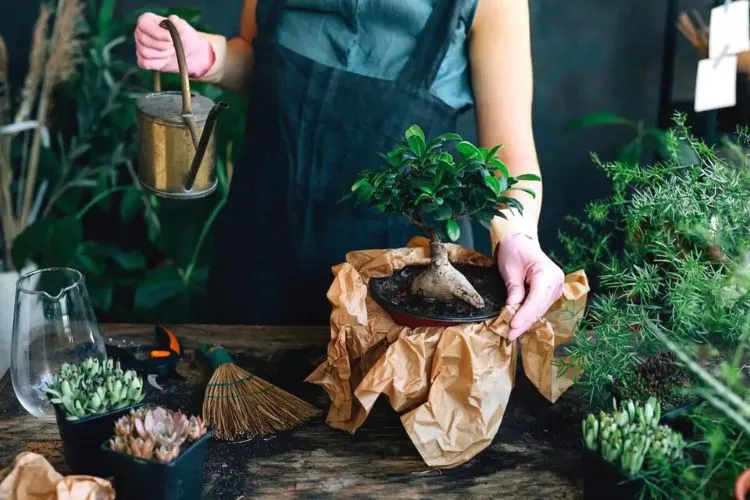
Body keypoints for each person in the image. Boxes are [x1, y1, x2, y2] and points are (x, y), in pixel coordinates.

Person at [133, 0, 564, 340]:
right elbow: (257, 60)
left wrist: (517, 234)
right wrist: (210, 56)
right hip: (261, 259)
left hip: (401, 295)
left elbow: (510, 155)